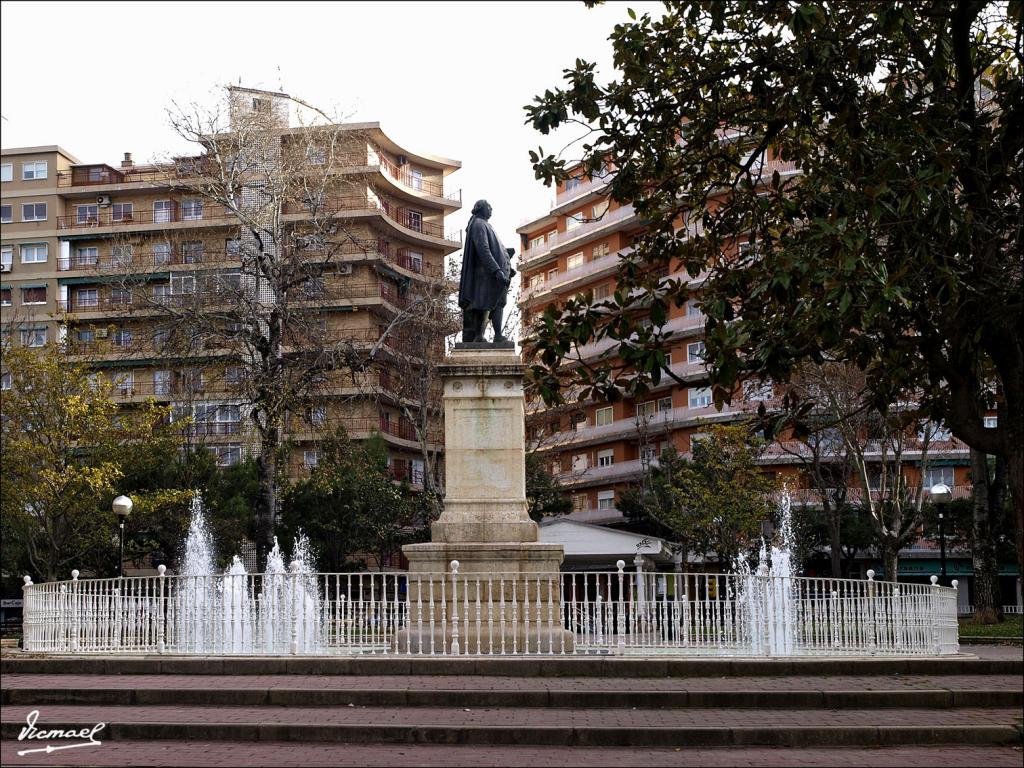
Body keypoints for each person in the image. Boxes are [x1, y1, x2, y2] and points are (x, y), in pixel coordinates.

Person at [458, 199, 515, 342]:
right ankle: (479, 336)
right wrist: (496, 270)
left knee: (499, 302)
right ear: (480, 208)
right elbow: (483, 249)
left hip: (496, 274)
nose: (491, 209)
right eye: (488, 207)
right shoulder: (478, 224)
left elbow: (494, 249)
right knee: (484, 304)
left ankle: (498, 335)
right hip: (486, 274)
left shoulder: (486, 225)